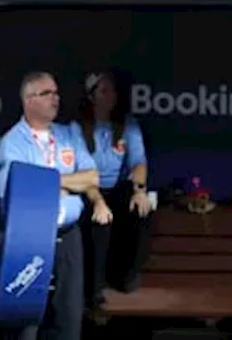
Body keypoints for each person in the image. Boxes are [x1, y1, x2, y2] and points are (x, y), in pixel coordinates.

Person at [0, 71, 110, 340]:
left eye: (57, 93)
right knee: (26, 324)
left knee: (69, 320)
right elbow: (18, 191)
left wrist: (45, 182)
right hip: (29, 238)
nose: (55, 98)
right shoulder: (13, 143)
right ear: (29, 100)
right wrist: (69, 183)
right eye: (47, 93)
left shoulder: (68, 134)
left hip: (68, 235)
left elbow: (92, 176)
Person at [73, 71, 153, 304]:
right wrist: (97, 201)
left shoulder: (127, 125)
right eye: (104, 91)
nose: (111, 96)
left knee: (141, 210)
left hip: (116, 189)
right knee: (99, 220)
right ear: (91, 96)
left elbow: (138, 162)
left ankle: (126, 277)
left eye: (113, 91)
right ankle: (94, 287)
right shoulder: (77, 127)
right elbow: (81, 169)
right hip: (88, 188)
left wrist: (139, 191)